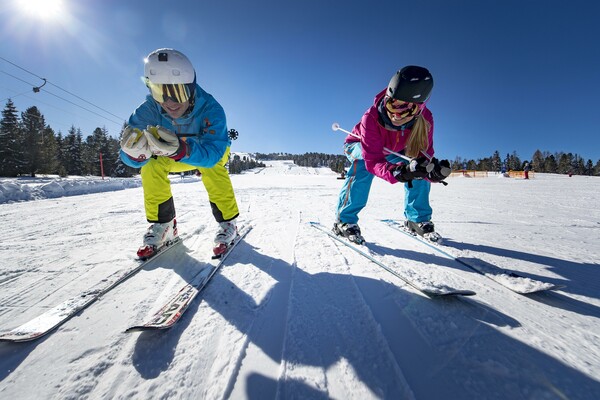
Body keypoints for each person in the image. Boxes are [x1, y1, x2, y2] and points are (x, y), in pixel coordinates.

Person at [119, 48, 239, 259]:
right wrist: (134, 154)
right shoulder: (149, 109)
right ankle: (164, 226)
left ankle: (228, 222)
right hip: (173, 155)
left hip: (207, 152)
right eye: (160, 93)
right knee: (151, 164)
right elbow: (128, 153)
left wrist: (181, 149)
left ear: (191, 89)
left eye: (178, 93)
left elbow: (213, 152)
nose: (169, 103)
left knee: (212, 167)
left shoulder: (211, 109)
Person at [333, 66, 450, 243]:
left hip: (395, 151)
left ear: (418, 108)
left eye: (406, 109)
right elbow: (373, 160)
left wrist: (429, 172)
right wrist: (396, 172)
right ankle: (345, 220)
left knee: (418, 167)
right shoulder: (371, 117)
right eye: (392, 104)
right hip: (358, 145)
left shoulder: (425, 120)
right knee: (363, 165)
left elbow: (424, 155)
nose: (396, 113)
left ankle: (417, 218)